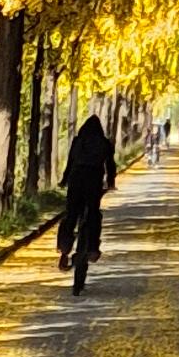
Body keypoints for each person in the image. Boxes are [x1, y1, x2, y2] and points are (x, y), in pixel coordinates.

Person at [55, 104, 116, 292]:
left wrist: (65, 180)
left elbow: (70, 162)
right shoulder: (104, 143)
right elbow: (110, 165)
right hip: (93, 182)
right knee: (94, 215)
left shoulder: (78, 141)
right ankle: (92, 248)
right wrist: (111, 182)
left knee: (71, 214)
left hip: (76, 180)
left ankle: (64, 248)